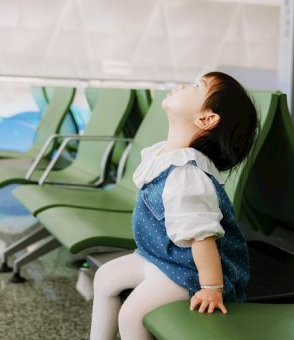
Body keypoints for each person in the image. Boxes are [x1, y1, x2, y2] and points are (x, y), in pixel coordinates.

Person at [89, 71, 258, 340]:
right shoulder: (165, 157)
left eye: (196, 86)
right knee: (105, 278)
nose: (182, 86)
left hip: (188, 270)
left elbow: (202, 238)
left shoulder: (186, 174)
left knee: (133, 314)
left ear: (206, 118)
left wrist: (212, 288)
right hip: (159, 256)